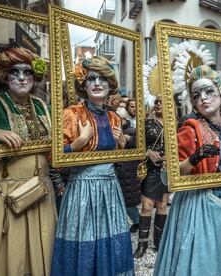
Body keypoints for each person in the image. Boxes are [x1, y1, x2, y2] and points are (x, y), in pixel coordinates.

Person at [154, 65, 221, 275]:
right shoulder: (190, 128)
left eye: (209, 91)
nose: (203, 98)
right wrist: (194, 158)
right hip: (199, 207)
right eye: (197, 95)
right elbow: (168, 176)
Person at [0, 43, 56, 276]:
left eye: (27, 72)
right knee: (9, 255)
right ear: (5, 76)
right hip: (5, 194)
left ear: (34, 76)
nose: (21, 78)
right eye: (14, 72)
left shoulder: (42, 107)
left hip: (41, 192)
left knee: (42, 251)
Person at [51, 56, 134, 275]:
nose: (97, 83)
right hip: (82, 189)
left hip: (110, 188)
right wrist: (79, 142)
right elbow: (55, 158)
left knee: (112, 244)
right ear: (84, 85)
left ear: (110, 86)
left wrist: (122, 145)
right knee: (83, 242)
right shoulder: (71, 114)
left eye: (103, 79)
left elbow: (117, 158)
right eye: (92, 79)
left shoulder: (114, 118)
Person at [134, 97, 169, 258]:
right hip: (150, 169)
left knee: (162, 206)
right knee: (147, 206)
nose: (159, 104)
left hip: (167, 169)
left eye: (162, 101)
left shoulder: (174, 124)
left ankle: (159, 242)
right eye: (157, 102)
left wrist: (172, 159)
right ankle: (142, 244)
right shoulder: (146, 123)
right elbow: (135, 143)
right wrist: (147, 152)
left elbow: (182, 145)